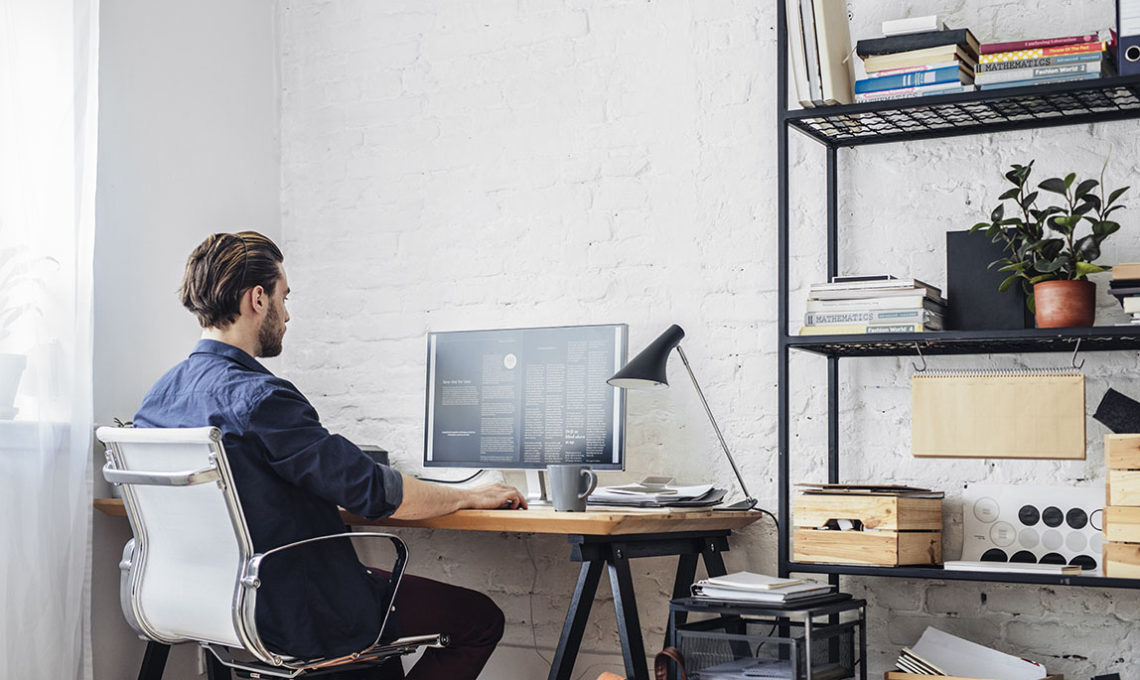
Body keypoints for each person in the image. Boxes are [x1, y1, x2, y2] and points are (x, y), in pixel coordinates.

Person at [134, 231, 527, 680]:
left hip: (216, 610)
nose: (288, 313)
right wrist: (468, 496)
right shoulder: (261, 398)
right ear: (257, 298)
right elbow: (374, 492)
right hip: (299, 611)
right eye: (284, 296)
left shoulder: (158, 398)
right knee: (479, 618)